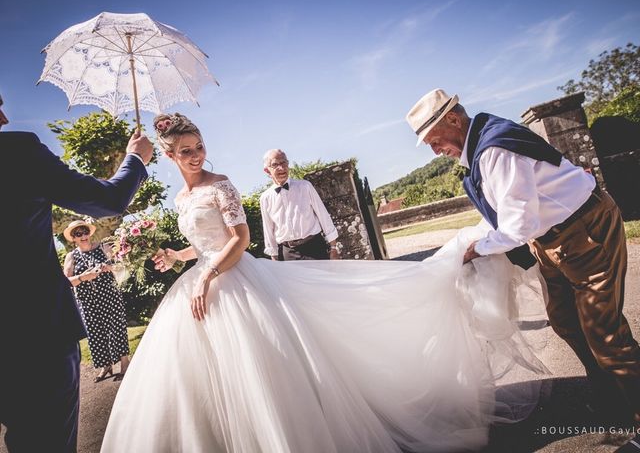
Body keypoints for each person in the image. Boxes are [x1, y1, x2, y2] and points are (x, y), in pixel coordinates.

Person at [101, 113, 548, 453]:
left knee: (270, 372)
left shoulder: (223, 186)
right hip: (203, 281)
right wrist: (176, 256)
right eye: (185, 150)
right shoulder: (181, 197)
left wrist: (208, 276)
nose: (196, 154)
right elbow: (204, 242)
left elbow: (240, 240)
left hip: (234, 280)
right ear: (168, 155)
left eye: (198, 145)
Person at [406, 88, 640, 451]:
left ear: (453, 119)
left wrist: (475, 250)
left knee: (604, 332)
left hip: (584, 231)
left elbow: (517, 226)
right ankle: (612, 398)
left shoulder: (494, 150)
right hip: (552, 239)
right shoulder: (483, 144)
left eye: (434, 141)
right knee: (564, 320)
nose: (437, 151)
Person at [0, 94, 153, 453]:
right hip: (35, 335)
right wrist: (136, 159)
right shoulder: (17, 151)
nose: (5, 118)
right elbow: (109, 200)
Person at [63, 220, 130, 382]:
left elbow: (123, 267)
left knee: (117, 327)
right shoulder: (71, 256)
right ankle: (105, 366)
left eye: (85, 232)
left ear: (89, 233)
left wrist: (110, 267)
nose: (83, 236)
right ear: (73, 238)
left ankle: (124, 364)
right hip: (87, 301)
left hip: (110, 295)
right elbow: (65, 282)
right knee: (95, 333)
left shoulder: (103, 247)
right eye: (78, 234)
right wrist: (83, 277)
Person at [260, 149, 340, 260]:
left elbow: (323, 216)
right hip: (287, 254)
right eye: (275, 165)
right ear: (267, 171)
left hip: (314, 248)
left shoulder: (305, 186)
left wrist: (334, 247)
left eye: (284, 163)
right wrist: (274, 257)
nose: (281, 168)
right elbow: (268, 229)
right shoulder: (265, 198)